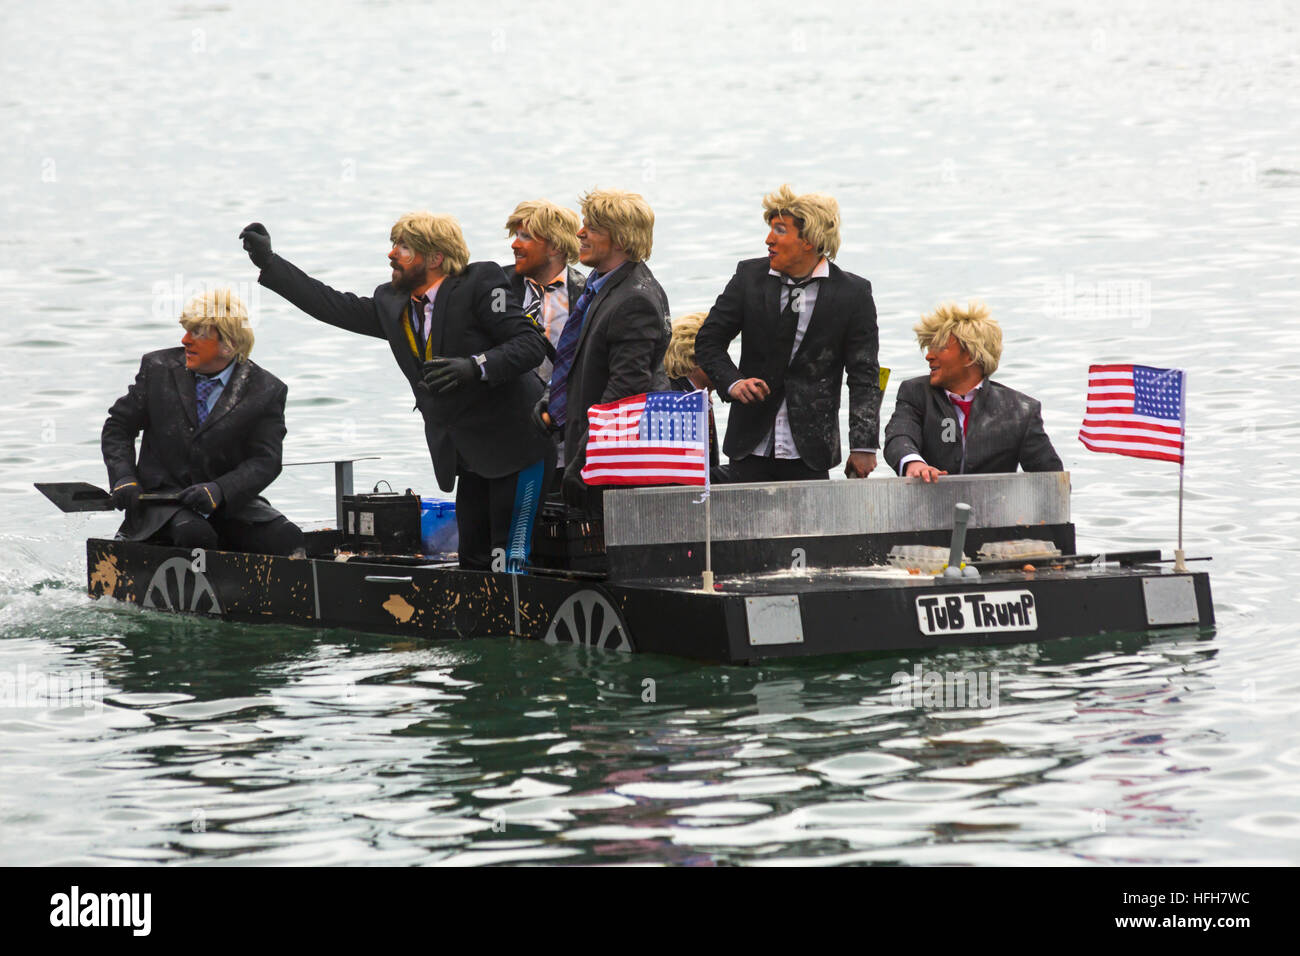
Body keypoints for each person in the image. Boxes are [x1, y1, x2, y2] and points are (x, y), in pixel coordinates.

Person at [239, 214, 552, 570]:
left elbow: (529, 344)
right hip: (471, 458)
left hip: (518, 448)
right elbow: (330, 304)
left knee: (509, 562)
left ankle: (515, 625)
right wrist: (270, 262)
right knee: (474, 563)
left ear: (434, 258)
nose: (391, 255)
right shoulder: (393, 304)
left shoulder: (480, 283)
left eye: (403, 247)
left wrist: (475, 366)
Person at [694, 184, 882, 483]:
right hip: (748, 444)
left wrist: (864, 444)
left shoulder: (853, 293)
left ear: (808, 239)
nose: (768, 239)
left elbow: (865, 375)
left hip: (812, 449)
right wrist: (733, 382)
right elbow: (708, 342)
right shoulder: (748, 277)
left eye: (780, 230)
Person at [101, 289, 304, 556]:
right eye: (187, 330)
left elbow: (265, 461)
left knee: (288, 537)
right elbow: (118, 427)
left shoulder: (267, 390)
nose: (185, 340)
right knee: (194, 533)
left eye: (198, 333)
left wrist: (220, 490)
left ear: (228, 344)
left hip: (228, 503)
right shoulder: (157, 368)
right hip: (161, 504)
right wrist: (124, 478)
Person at [534, 188, 671, 511]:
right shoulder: (602, 284)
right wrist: (551, 400)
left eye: (592, 228)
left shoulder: (635, 299)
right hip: (592, 450)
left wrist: (584, 461)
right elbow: (579, 359)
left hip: (612, 465)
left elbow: (625, 393)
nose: (579, 233)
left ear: (621, 239)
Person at [883, 301, 1063, 480]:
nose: (929, 356)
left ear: (971, 354)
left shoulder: (1021, 410)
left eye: (941, 347)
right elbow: (899, 436)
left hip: (993, 508)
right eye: (929, 347)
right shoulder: (915, 393)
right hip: (927, 508)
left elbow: (1052, 481)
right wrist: (913, 463)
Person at [501, 199, 586, 384]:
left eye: (526, 237)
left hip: (559, 405)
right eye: (516, 235)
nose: (514, 245)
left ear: (556, 247)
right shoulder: (498, 286)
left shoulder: (585, 294)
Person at [662, 310, 729, 482]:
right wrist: (742, 474)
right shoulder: (677, 403)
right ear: (695, 360)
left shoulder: (695, 395)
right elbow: (684, 478)